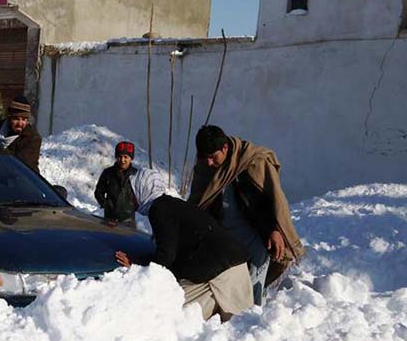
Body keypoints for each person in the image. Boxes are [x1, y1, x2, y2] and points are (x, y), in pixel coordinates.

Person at [189, 125, 304, 305]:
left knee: (251, 289)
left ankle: (252, 319)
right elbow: (198, 201)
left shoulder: (253, 161)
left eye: (213, 157)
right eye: (205, 157)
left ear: (225, 148)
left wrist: (274, 230)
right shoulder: (205, 167)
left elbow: (273, 199)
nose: (209, 162)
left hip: (254, 235)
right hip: (220, 234)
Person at [116, 194, 254, 321]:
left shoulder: (159, 208)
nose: (130, 199)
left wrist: (137, 264)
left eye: (131, 193)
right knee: (239, 332)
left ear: (141, 190)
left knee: (170, 319)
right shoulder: (174, 205)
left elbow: (166, 256)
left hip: (217, 279)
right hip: (237, 268)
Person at [0, 95, 42, 173]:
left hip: (24, 181)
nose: (20, 123)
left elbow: (20, 166)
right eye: (16, 119)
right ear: (9, 117)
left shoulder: (32, 138)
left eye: (24, 119)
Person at [94, 141, 138, 226]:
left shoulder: (136, 174)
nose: (122, 160)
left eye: (126, 157)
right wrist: (106, 205)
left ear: (131, 158)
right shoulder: (108, 173)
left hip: (129, 221)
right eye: (119, 157)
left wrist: (134, 205)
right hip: (109, 219)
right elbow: (98, 192)